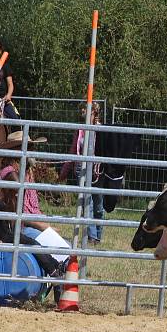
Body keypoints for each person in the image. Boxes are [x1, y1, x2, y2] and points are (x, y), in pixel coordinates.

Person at [0, 171, 65, 279]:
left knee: (34, 243)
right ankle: (53, 270)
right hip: (2, 237)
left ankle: (56, 264)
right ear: (7, 188)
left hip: (8, 234)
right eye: (15, 192)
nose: (17, 195)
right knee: (32, 244)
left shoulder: (8, 201)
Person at [59, 103, 104, 245]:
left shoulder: (101, 130)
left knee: (99, 205)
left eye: (85, 109)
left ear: (93, 112)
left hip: (98, 170)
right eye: (82, 109)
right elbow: (73, 150)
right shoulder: (80, 130)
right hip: (82, 169)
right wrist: (64, 171)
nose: (82, 111)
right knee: (87, 202)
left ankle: (98, 234)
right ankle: (92, 237)